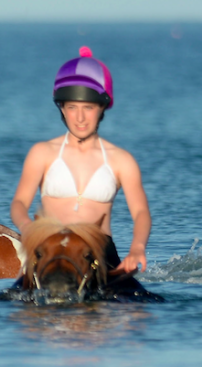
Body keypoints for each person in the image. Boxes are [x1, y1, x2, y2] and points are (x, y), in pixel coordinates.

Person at [10, 46, 150, 273]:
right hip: (50, 250)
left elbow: (141, 212)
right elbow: (19, 203)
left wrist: (137, 248)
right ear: (62, 109)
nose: (80, 117)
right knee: (9, 302)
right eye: (72, 107)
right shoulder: (42, 152)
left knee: (140, 306)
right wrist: (27, 227)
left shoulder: (121, 160)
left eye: (89, 107)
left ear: (102, 107)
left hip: (100, 253)